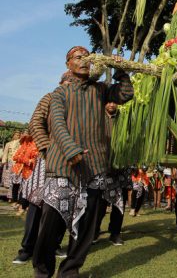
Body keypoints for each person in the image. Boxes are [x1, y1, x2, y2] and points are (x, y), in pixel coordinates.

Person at [32, 46, 134, 278]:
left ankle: (70, 270)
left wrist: (120, 70)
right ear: (68, 64)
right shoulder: (59, 94)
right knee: (51, 225)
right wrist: (70, 149)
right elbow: (57, 124)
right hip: (63, 166)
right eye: (78, 57)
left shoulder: (100, 89)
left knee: (87, 227)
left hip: (96, 168)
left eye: (87, 57)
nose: (84, 60)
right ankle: (42, 271)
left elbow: (126, 94)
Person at [12, 72, 73, 265]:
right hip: (46, 159)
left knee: (62, 204)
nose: (71, 85)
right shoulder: (50, 98)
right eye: (68, 81)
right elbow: (35, 123)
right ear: (61, 83)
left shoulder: (81, 104)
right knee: (37, 203)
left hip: (69, 161)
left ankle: (53, 244)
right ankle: (27, 248)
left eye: (74, 82)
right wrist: (47, 147)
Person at [93, 102, 126, 246]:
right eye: (109, 101)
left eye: (115, 102)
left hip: (120, 165)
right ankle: (94, 232)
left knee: (119, 202)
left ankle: (115, 233)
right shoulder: (97, 117)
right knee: (98, 202)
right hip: (101, 165)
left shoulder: (124, 117)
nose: (112, 104)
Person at [2, 131, 21, 204]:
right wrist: (4, 162)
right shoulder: (8, 144)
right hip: (9, 164)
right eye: (16, 134)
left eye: (19, 134)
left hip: (17, 164)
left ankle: (13, 197)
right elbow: (5, 153)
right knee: (9, 182)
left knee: (15, 181)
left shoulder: (21, 144)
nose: (18, 136)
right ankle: (10, 197)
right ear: (13, 136)